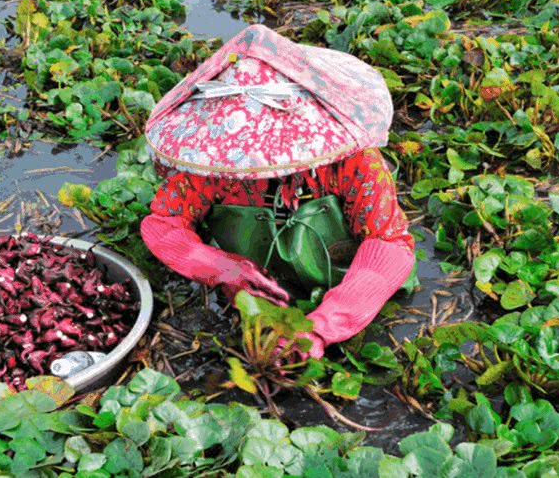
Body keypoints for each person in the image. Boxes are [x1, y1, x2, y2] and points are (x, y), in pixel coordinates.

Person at [140, 25, 417, 359]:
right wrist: (222, 268)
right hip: (255, 294)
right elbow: (164, 225)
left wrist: (322, 326)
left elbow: (388, 244)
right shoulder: (215, 162)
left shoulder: (356, 162)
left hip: (349, 286)